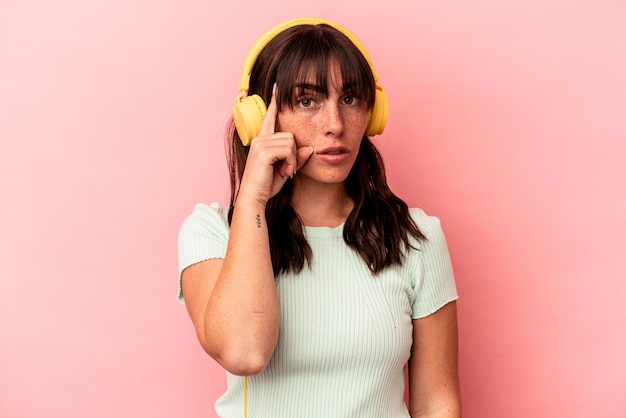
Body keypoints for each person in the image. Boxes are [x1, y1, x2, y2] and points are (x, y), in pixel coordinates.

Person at [178, 17, 461, 418]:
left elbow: (437, 403)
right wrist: (254, 201)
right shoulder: (211, 232)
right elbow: (244, 352)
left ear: (372, 112)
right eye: (307, 101)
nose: (335, 125)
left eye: (350, 99)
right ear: (259, 118)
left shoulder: (416, 237)